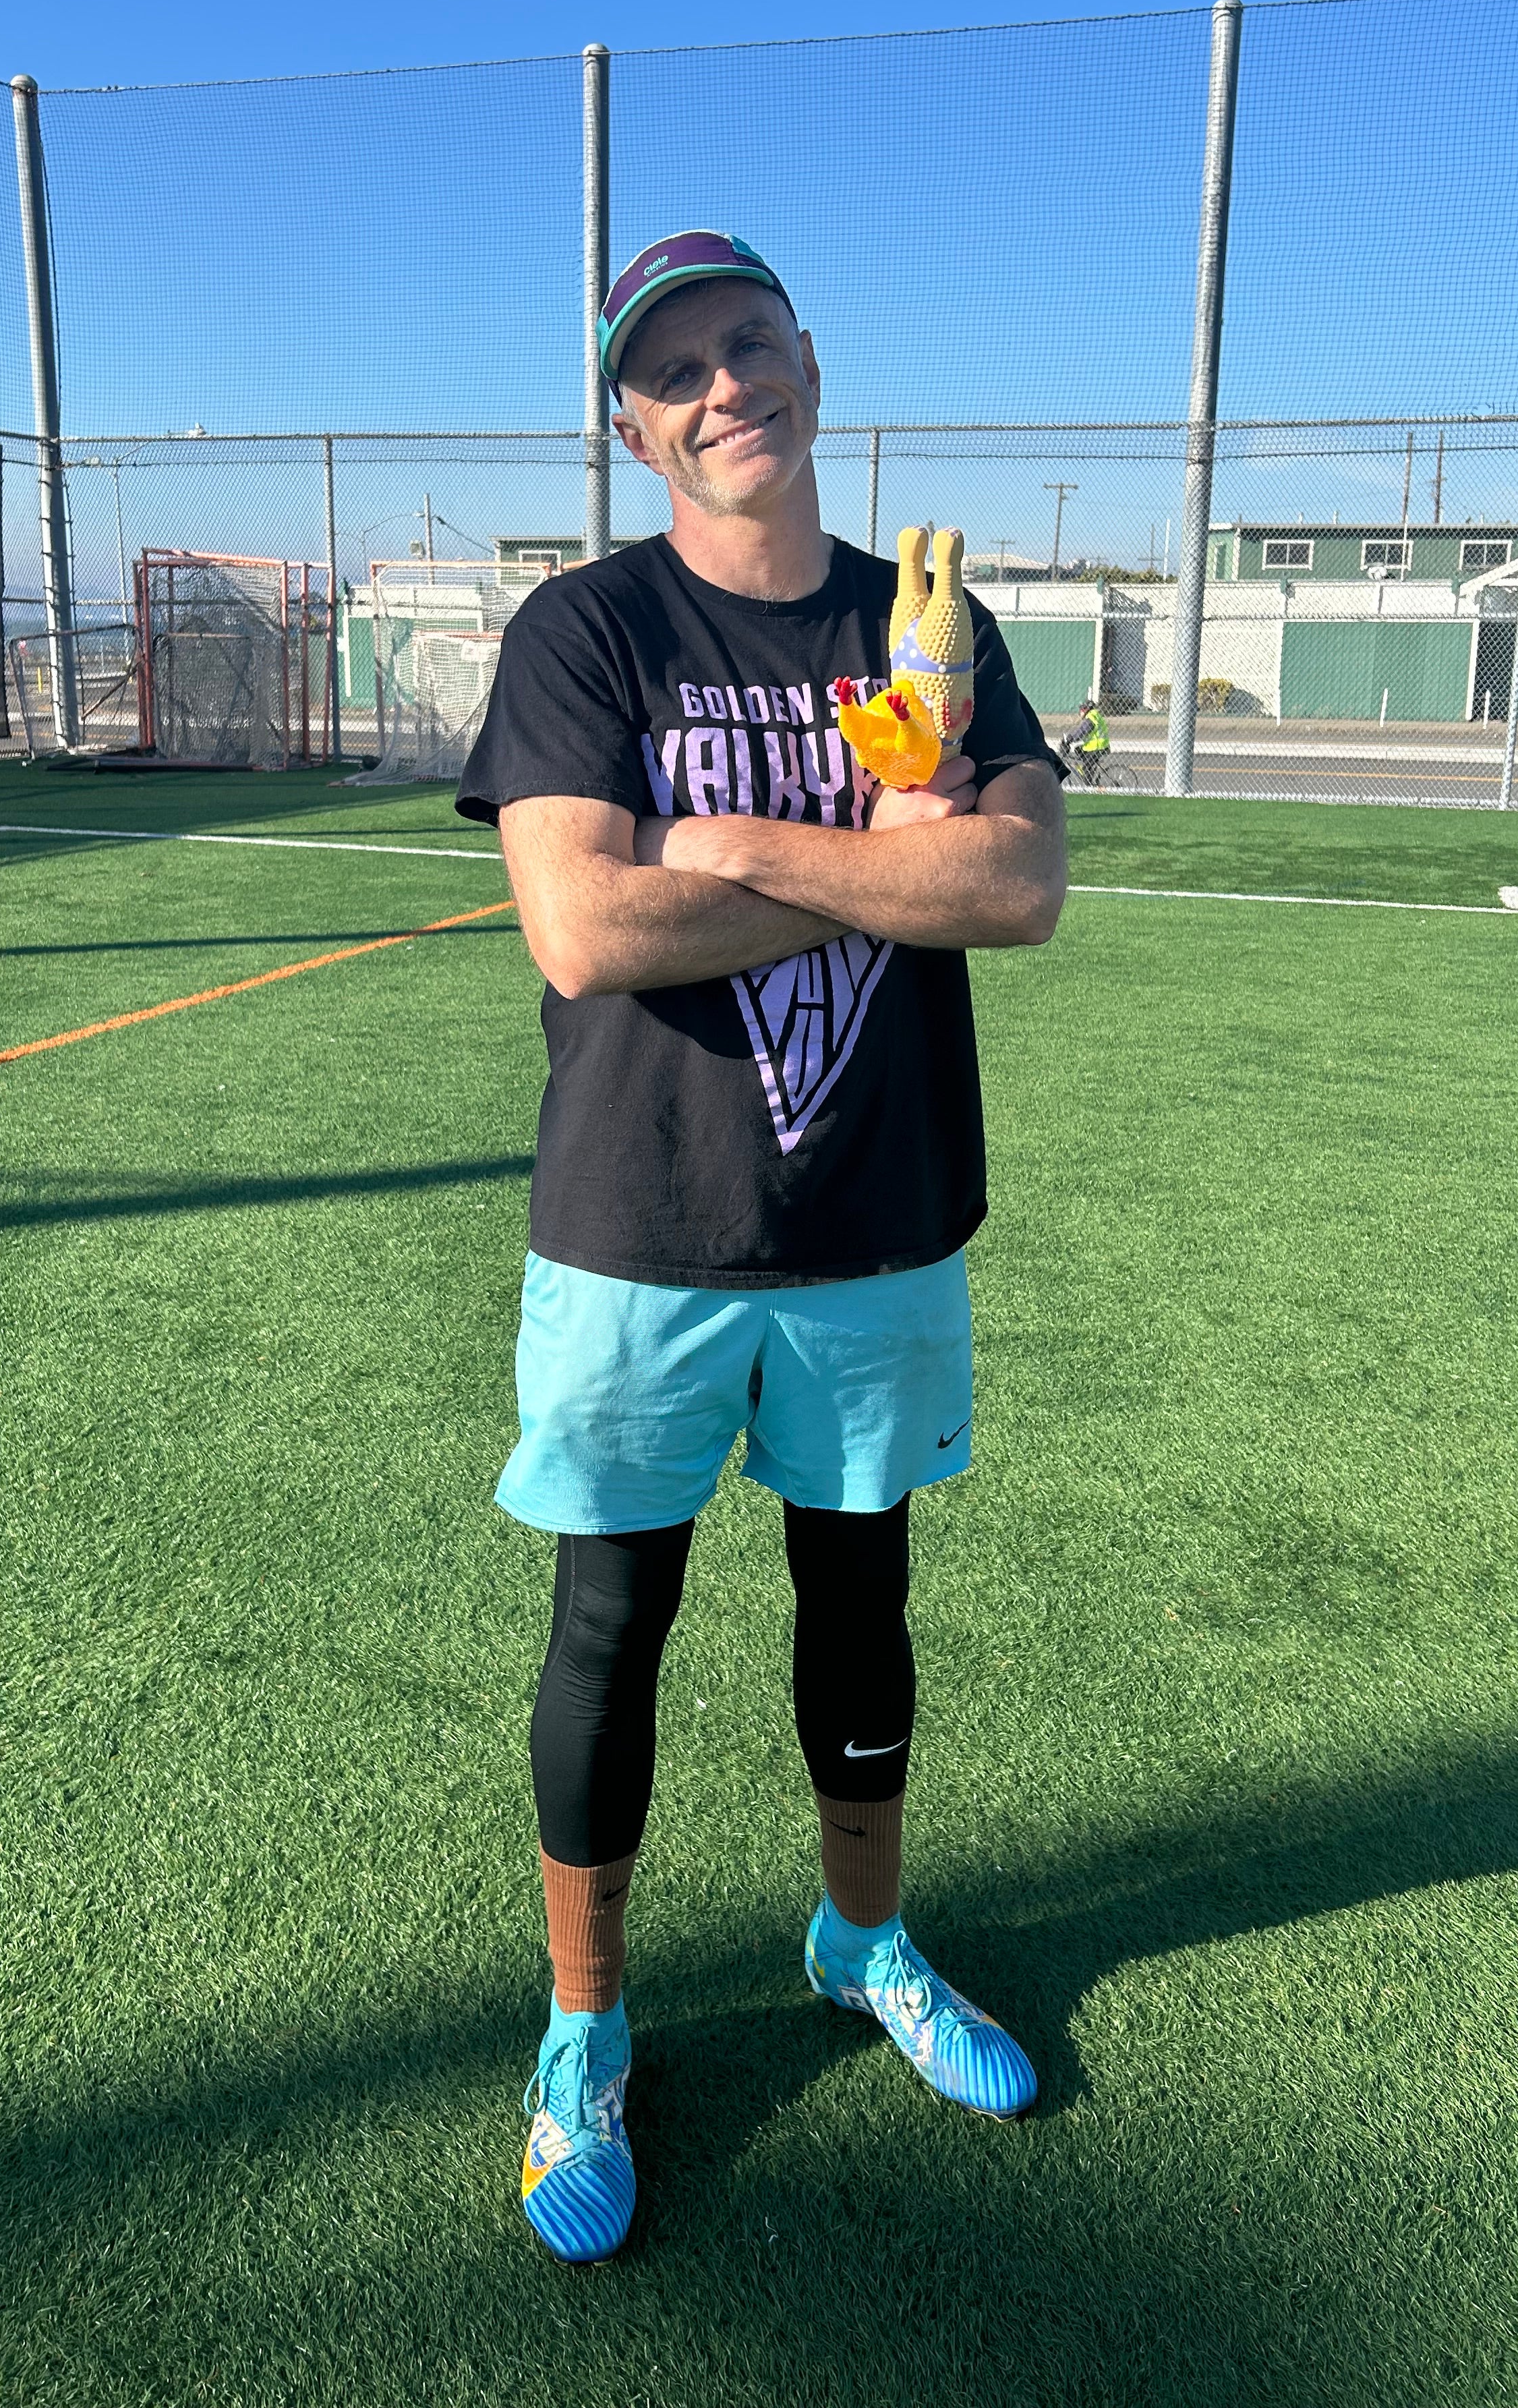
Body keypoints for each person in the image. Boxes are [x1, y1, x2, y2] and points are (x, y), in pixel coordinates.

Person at [456, 229, 1068, 2264]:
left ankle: (861, 1941)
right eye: (676, 374)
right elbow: (587, 928)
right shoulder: (587, 633)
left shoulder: (931, 618)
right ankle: (584, 2030)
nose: (724, 389)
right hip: (639, 1230)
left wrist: (737, 851)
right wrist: (879, 871)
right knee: (608, 1634)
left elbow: (1022, 886)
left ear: (809, 358)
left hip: (874, 1220)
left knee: (862, 1605)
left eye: (748, 345)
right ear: (637, 429)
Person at [1061, 697, 1109, 784]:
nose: (1080, 713)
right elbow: (1082, 731)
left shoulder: (1091, 718)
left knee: (1087, 766)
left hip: (1098, 747)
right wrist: (1072, 738)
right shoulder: (1094, 715)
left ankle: (1088, 785)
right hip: (1099, 745)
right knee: (1079, 750)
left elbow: (1083, 731)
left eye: (1081, 710)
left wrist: (1070, 739)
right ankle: (1088, 771)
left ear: (1085, 710)